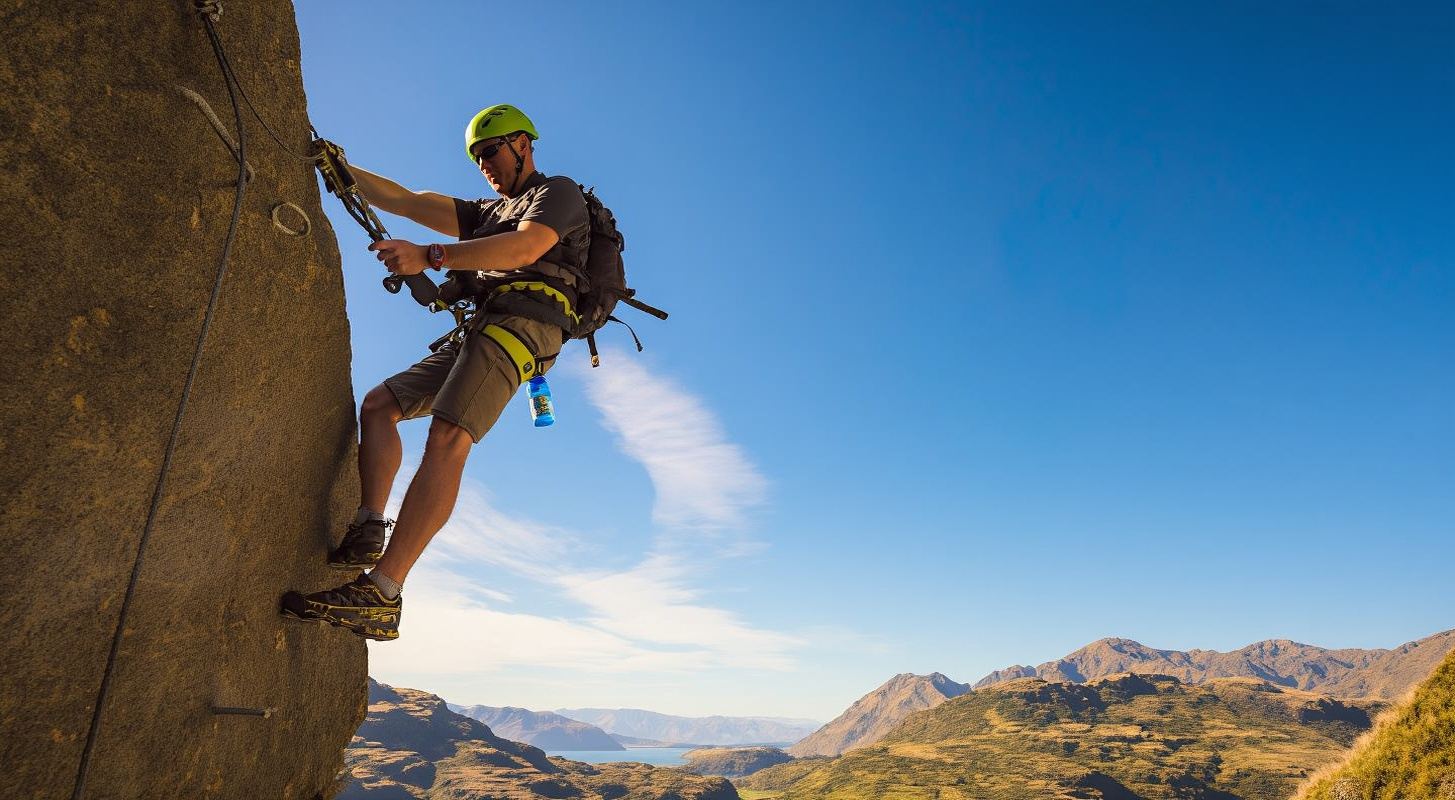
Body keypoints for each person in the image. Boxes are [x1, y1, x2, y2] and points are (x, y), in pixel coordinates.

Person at [281, 104, 589, 641]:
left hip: (528, 323)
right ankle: (369, 526)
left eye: (490, 151)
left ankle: (383, 592)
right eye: (476, 157)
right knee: (380, 405)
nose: (484, 165)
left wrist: (431, 255)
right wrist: (338, 168)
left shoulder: (557, 194)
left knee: (449, 436)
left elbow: (527, 246)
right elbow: (408, 200)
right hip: (485, 325)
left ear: (522, 143)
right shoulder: (490, 212)